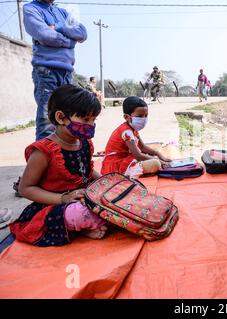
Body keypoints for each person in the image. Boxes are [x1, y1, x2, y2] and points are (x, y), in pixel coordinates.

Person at [9, 85, 107, 246]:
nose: (91, 125)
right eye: (85, 119)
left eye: (93, 119)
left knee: (112, 199)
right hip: (53, 206)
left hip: (82, 197)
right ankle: (80, 225)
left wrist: (107, 182)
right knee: (80, 213)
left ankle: (82, 227)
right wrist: (62, 199)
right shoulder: (43, 151)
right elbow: (26, 188)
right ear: (61, 117)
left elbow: (87, 172)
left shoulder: (85, 143)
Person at [23, 0, 87, 141]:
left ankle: (60, 155)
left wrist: (57, 27)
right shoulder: (31, 9)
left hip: (67, 72)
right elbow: (45, 35)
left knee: (66, 116)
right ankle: (43, 159)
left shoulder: (62, 12)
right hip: (46, 70)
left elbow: (82, 33)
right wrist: (70, 41)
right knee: (47, 118)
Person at [101, 96, 172, 178]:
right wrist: (159, 160)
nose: (144, 119)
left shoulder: (133, 129)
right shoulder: (126, 132)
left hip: (125, 158)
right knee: (155, 163)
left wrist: (159, 154)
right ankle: (128, 173)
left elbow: (143, 147)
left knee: (153, 158)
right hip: (116, 165)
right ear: (126, 117)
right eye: (140, 116)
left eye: (146, 115)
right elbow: (138, 155)